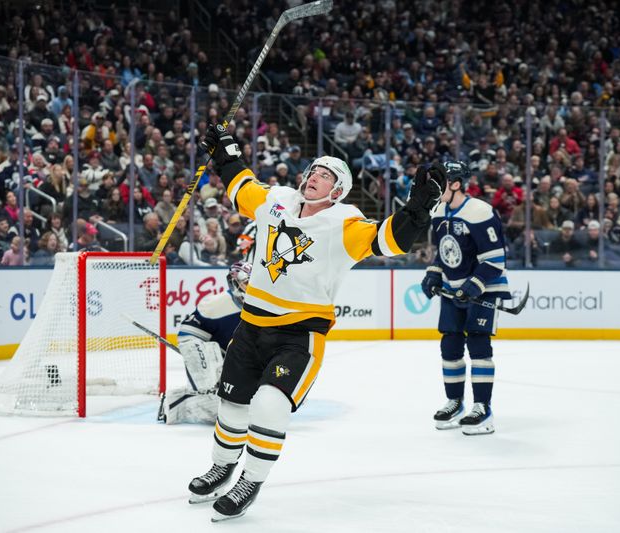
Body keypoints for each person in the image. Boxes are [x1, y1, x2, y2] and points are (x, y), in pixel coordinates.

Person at [187, 124, 440, 521]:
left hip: (298, 335)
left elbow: (391, 241)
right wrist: (224, 149)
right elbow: (241, 185)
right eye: (313, 171)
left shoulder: (345, 223)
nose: (314, 177)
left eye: (325, 176)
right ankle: (222, 466)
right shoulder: (277, 200)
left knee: (269, 406)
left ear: (337, 192)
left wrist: (419, 206)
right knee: (232, 405)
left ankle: (250, 480)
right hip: (251, 326)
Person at [420, 160, 510, 436]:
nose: (434, 187)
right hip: (452, 288)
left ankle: (483, 408)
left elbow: (496, 259)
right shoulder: (438, 211)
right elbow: (445, 251)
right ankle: (455, 402)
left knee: (479, 347)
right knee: (450, 347)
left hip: (484, 290)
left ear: (456, 184)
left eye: (441, 182)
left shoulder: (480, 211)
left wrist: (474, 285)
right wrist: (434, 273)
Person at [160, 262, 252, 424]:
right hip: (203, 347)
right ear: (234, 283)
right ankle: (175, 404)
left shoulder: (263, 306)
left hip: (231, 354)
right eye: (247, 283)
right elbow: (188, 335)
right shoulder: (216, 303)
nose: (252, 288)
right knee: (213, 402)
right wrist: (207, 364)